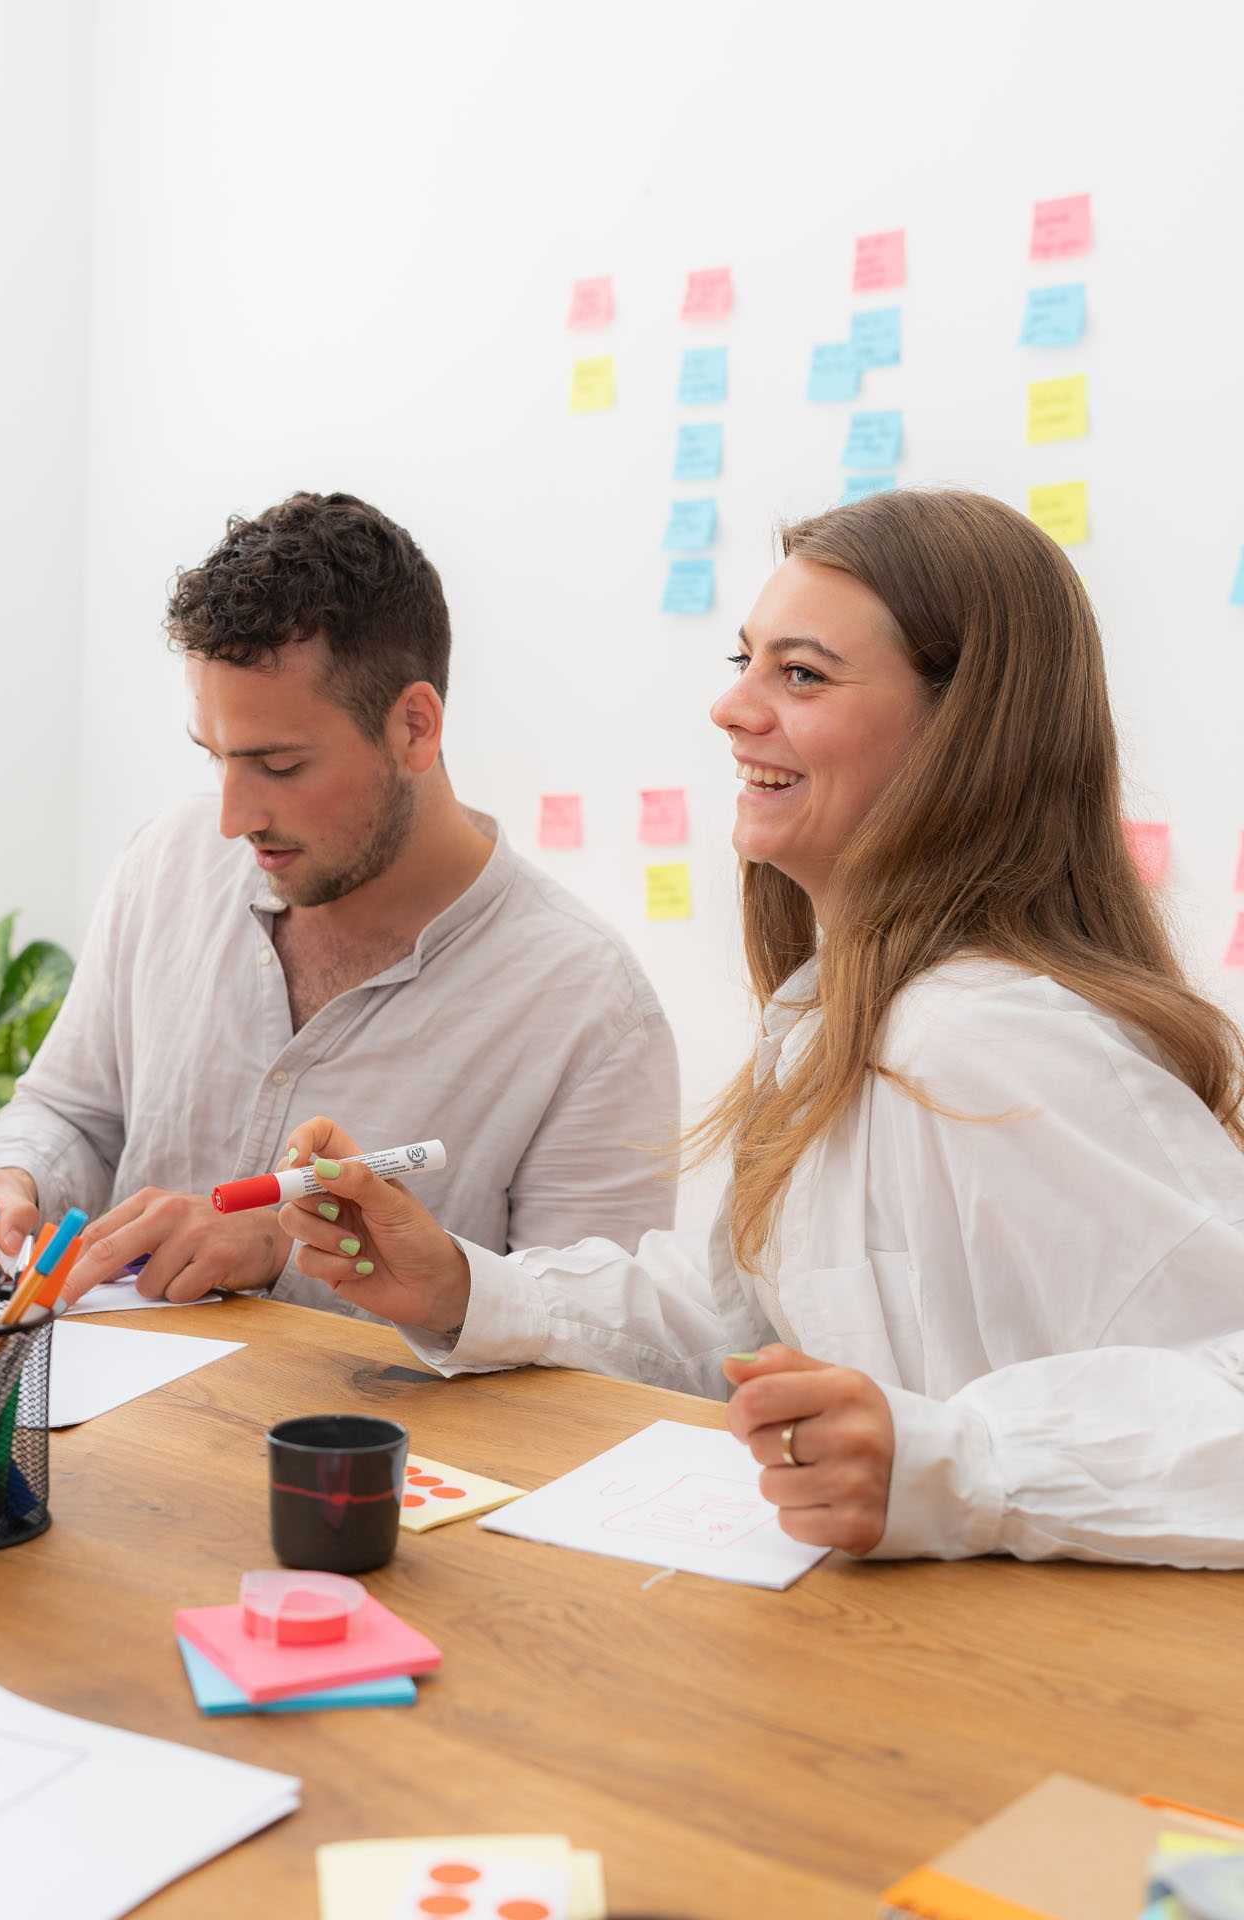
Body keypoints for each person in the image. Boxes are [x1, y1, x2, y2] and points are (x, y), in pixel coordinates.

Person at [266, 489, 1244, 1567]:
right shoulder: (842, 1022)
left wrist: (960, 1462)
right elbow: (748, 1326)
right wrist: (464, 1287)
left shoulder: (989, 1042)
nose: (732, 711)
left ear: (964, 735)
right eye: (746, 663)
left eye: (803, 674)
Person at [0, 492, 678, 1309]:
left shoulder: (588, 1007)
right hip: (108, 1429)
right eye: (215, 757)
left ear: (415, 728)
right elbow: (73, 1115)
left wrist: (287, 1253)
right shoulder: (167, 866)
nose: (233, 818)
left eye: (280, 766)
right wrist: (14, 1182)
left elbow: (592, 1349)